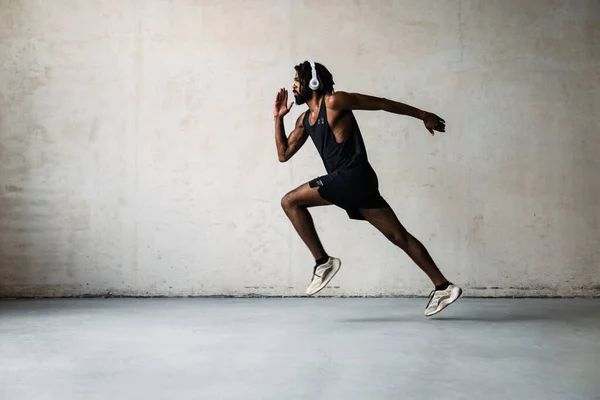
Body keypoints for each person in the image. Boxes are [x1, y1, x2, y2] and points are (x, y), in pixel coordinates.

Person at [273, 61, 462, 316]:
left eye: (298, 79)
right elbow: (283, 154)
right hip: (355, 183)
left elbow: (382, 103)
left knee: (290, 201)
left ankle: (323, 262)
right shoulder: (304, 120)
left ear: (313, 82)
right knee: (399, 237)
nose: (294, 85)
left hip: (352, 176)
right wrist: (277, 119)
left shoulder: (334, 102)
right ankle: (443, 286)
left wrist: (423, 115)